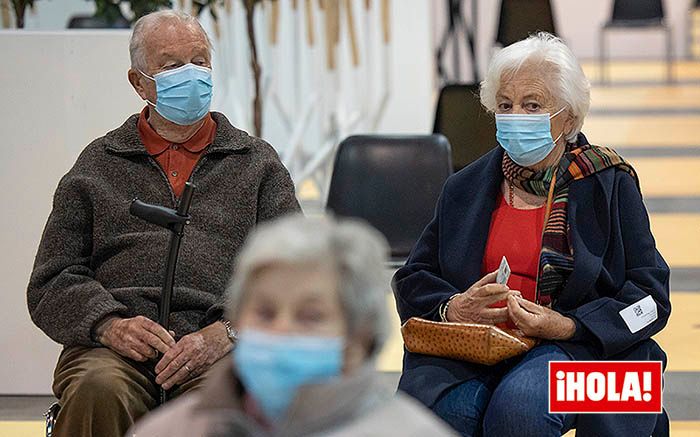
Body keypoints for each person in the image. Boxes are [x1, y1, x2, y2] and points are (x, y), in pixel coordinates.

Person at [26, 10, 299, 437]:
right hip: (114, 349)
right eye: (172, 66)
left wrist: (227, 331)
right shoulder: (97, 165)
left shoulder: (256, 164)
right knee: (99, 388)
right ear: (139, 83)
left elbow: (293, 274)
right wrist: (108, 324)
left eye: (201, 61)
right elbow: (52, 278)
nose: (191, 75)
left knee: (228, 402)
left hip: (223, 345)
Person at [393, 33, 671, 437]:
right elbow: (413, 277)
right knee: (441, 414)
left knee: (520, 411)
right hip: (481, 345)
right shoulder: (466, 187)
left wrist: (568, 325)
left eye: (533, 105)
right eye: (505, 105)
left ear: (570, 119)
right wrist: (455, 307)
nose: (515, 116)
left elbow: (651, 297)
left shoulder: (610, 183)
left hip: (588, 351)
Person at [129, 215, 458, 436]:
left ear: (359, 337)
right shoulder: (168, 430)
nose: (281, 329)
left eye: (310, 316)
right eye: (265, 312)